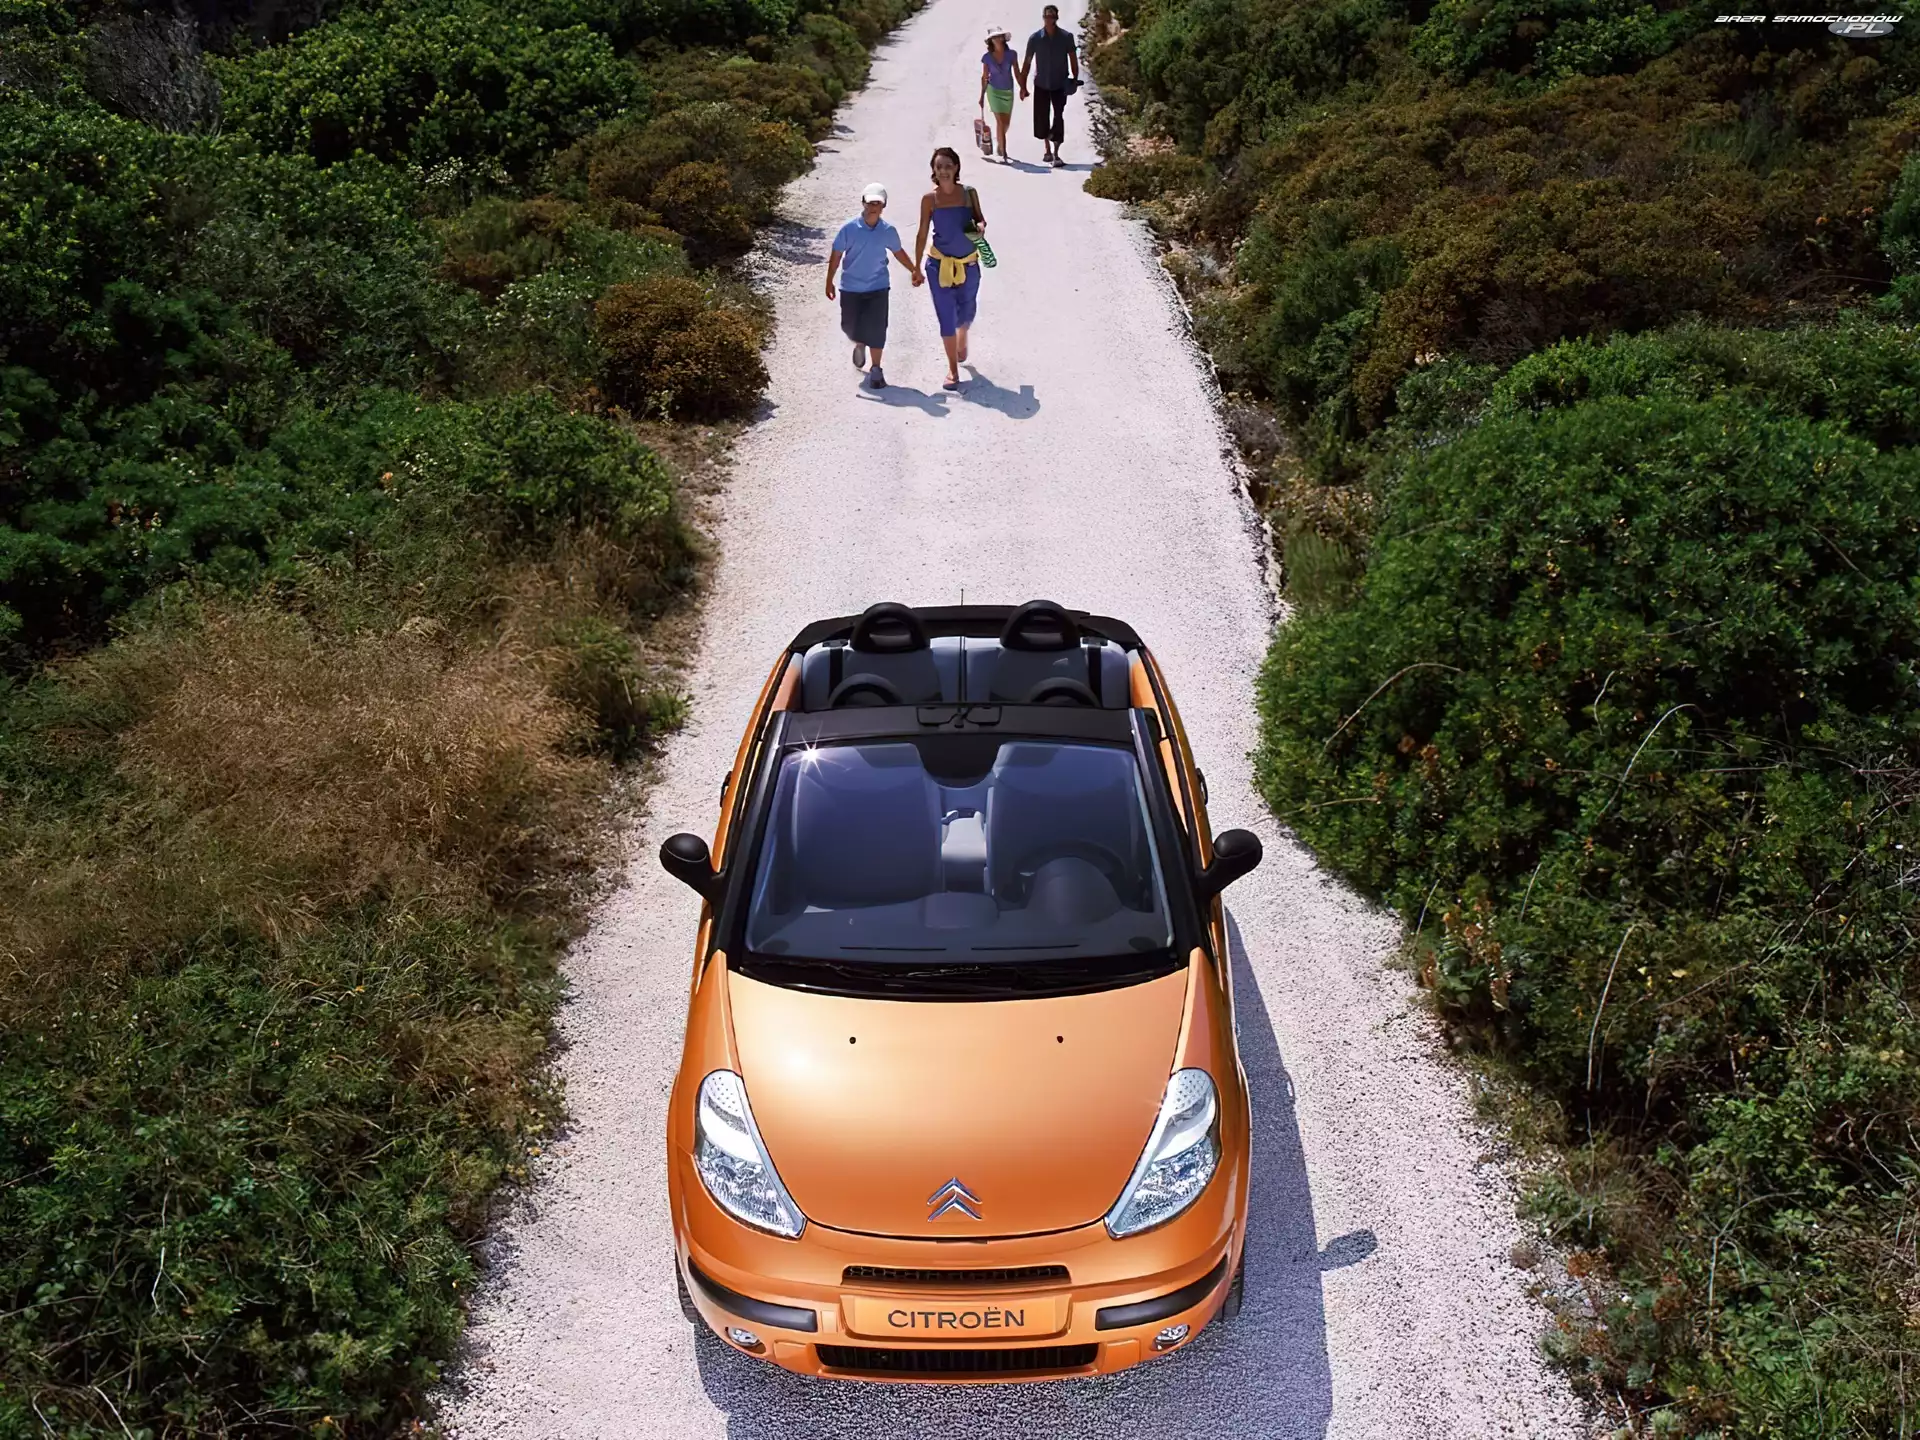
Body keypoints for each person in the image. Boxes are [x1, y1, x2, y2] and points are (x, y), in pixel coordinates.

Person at [826, 181, 921, 390]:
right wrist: (829, 281)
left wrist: (914, 270)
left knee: (878, 328)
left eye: (877, 203)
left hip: (878, 287)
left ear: (883, 206)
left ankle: (876, 369)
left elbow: (898, 252)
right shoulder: (849, 229)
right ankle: (859, 342)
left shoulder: (887, 231)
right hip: (851, 288)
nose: (873, 207)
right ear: (863, 203)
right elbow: (836, 254)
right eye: (870, 203)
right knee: (849, 326)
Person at [914, 147, 985, 391]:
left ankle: (962, 334)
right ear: (933, 171)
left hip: (969, 264)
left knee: (967, 311)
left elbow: (980, 218)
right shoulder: (929, 200)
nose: (943, 171)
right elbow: (922, 233)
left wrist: (980, 227)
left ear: (956, 168)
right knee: (946, 317)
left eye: (948, 166)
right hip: (938, 265)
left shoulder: (968, 194)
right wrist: (916, 267)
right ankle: (953, 370)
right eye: (939, 167)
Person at [1020, 4, 1079, 168]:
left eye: (1052, 16)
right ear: (1043, 18)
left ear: (1056, 18)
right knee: (1042, 118)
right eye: (1047, 16)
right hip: (1041, 84)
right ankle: (1047, 150)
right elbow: (1027, 62)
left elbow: (1073, 59)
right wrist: (1023, 86)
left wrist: (1075, 79)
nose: (1049, 19)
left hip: (1060, 84)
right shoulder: (1035, 39)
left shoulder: (1066, 37)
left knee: (1058, 117)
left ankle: (1056, 153)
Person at [979, 25, 1018, 163]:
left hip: (1008, 91)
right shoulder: (987, 58)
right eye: (994, 37)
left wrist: (1023, 88)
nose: (997, 39)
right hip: (993, 90)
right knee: (1000, 121)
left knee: (1006, 123)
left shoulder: (1011, 54)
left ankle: (1000, 143)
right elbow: (984, 77)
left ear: (1003, 38)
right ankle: (1003, 153)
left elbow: (1017, 72)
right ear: (991, 41)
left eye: (999, 36)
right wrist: (982, 95)